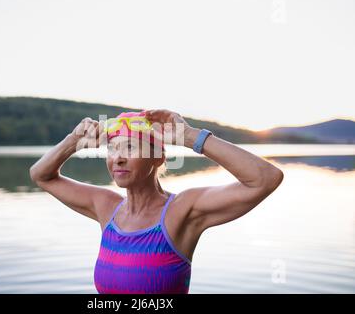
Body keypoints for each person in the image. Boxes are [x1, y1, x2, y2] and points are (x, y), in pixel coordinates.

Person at [29, 109, 284, 294]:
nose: (117, 158)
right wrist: (73, 142)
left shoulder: (183, 210)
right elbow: (41, 175)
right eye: (112, 149)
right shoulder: (105, 206)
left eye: (130, 148)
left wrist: (190, 137)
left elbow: (265, 178)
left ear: (158, 158)